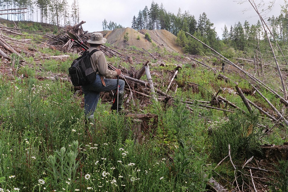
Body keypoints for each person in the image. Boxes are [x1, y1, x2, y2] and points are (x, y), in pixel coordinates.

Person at [82, 32, 125, 121]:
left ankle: (88, 132)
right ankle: (117, 109)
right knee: (121, 83)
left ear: (91, 42)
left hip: (86, 83)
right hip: (96, 82)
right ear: (100, 43)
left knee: (89, 112)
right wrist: (116, 73)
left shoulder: (86, 52)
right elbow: (104, 72)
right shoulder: (99, 53)